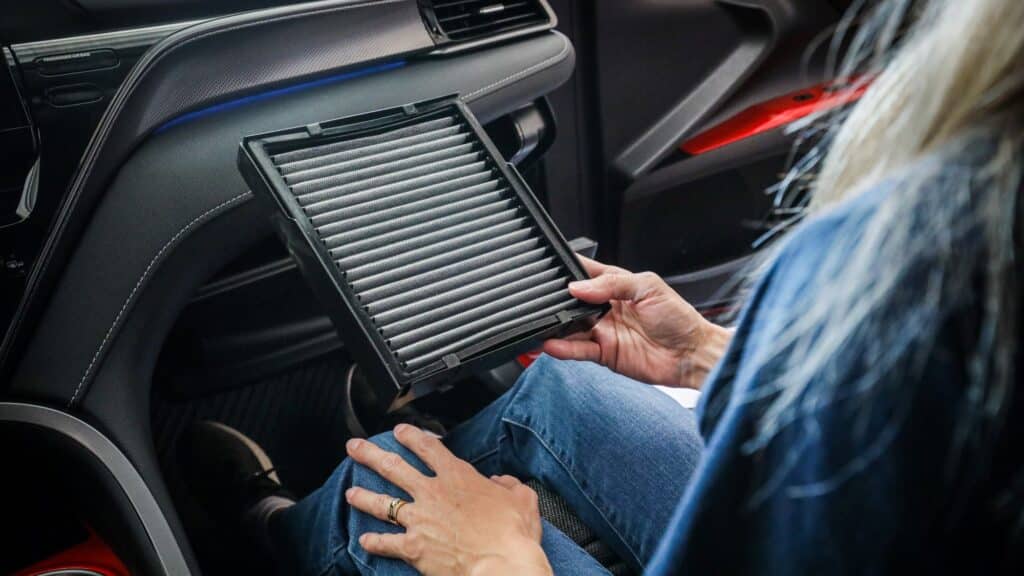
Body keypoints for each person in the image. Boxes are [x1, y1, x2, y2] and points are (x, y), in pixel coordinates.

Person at [183, 0, 1023, 573]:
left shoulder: (924, 261)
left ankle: (284, 543)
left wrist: (501, 560)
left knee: (394, 492)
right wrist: (701, 353)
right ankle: (294, 534)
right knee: (558, 392)